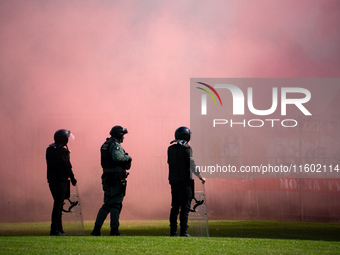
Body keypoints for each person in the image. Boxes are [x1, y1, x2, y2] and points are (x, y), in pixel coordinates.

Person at [91, 125, 132, 236]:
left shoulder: (105, 144)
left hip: (107, 177)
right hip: (116, 178)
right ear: (119, 135)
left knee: (107, 204)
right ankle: (114, 230)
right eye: (123, 135)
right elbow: (117, 158)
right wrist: (128, 158)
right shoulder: (115, 145)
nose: (123, 137)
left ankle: (96, 229)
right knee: (116, 204)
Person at [168, 126, 206, 237]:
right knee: (185, 207)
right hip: (184, 183)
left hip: (174, 182)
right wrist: (200, 176)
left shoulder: (170, 149)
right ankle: (183, 232)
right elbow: (192, 165)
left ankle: (173, 232)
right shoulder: (186, 148)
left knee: (174, 207)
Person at [46, 129, 77, 236]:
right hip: (61, 180)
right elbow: (67, 166)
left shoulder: (50, 149)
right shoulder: (62, 151)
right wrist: (72, 178)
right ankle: (55, 230)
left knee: (58, 204)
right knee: (58, 205)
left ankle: (59, 229)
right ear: (63, 139)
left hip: (51, 180)